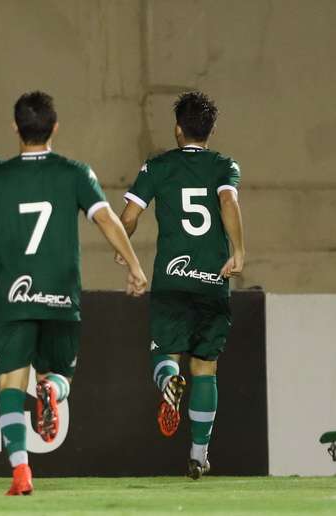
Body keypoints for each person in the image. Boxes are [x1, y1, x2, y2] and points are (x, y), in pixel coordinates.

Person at [0, 91, 147, 495]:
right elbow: (107, 220)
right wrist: (134, 266)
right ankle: (51, 390)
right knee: (60, 374)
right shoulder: (75, 173)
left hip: (14, 297)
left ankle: (20, 473)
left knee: (11, 386)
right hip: (61, 297)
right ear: (55, 126)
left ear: (16, 127)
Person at [117, 91, 244, 480]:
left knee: (165, 354)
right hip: (212, 279)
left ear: (177, 129)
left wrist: (124, 250)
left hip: (172, 278)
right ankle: (198, 454)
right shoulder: (224, 166)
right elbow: (227, 203)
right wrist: (238, 250)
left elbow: (130, 215)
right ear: (210, 130)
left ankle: (169, 379)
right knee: (206, 367)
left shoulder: (157, 166)